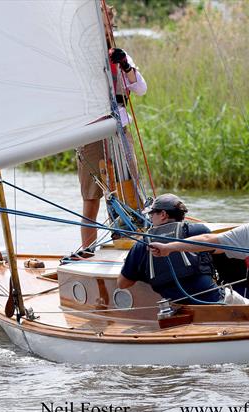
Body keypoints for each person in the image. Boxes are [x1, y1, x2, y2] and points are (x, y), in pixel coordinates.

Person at [73, 4, 147, 259]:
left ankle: (133, 244)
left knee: (130, 187)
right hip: (92, 132)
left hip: (118, 127)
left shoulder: (119, 55)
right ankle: (88, 251)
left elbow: (141, 89)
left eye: (107, 26)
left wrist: (125, 65)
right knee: (92, 195)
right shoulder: (79, 56)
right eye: (99, 26)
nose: (105, 30)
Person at [117, 194, 242, 305]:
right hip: (215, 304)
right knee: (247, 303)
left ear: (163, 215)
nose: (150, 218)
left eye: (151, 213)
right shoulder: (197, 231)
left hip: (180, 310)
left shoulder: (141, 245)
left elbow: (122, 284)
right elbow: (222, 249)